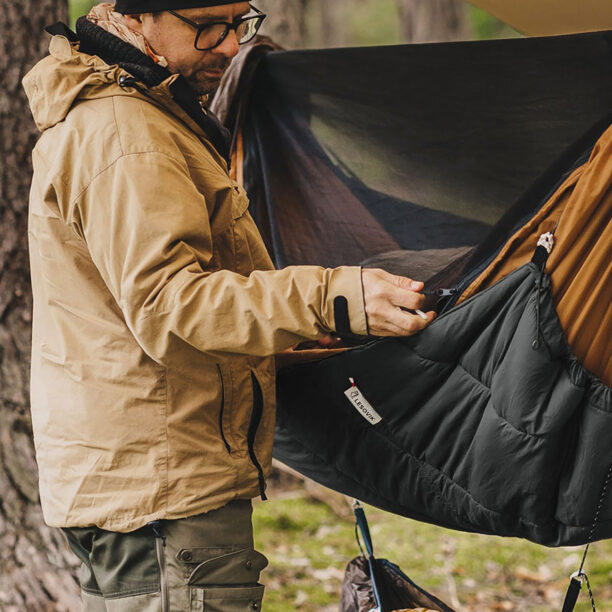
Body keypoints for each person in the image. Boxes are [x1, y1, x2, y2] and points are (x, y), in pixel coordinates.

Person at [23, 2, 435, 609]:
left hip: (147, 478)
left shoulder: (146, 114)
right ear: (139, 19)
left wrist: (288, 337)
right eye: (208, 26)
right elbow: (170, 304)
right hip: (164, 495)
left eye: (241, 21)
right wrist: (329, 297)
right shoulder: (125, 135)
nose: (228, 45)